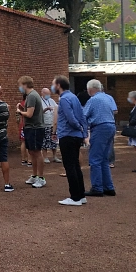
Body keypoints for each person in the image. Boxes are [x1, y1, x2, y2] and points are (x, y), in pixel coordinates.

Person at [51, 76, 87, 206]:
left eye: (53, 84)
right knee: (75, 166)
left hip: (68, 135)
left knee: (70, 166)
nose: (52, 87)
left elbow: (70, 117)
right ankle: (81, 195)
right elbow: (82, 116)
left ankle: (75, 197)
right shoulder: (74, 97)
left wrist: (78, 126)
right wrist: (83, 131)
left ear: (59, 85)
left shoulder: (64, 99)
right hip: (76, 135)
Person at [83, 79, 117, 197]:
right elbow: (114, 111)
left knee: (95, 159)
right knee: (104, 159)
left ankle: (97, 187)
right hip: (111, 126)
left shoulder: (93, 100)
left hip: (100, 128)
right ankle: (108, 187)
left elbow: (83, 116)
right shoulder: (108, 97)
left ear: (90, 89)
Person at [16, 76, 47, 188]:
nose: (20, 88)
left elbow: (29, 114)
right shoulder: (31, 96)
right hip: (30, 127)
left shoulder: (32, 96)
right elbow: (29, 111)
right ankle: (34, 175)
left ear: (25, 85)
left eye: (20, 85)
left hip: (35, 128)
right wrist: (23, 108)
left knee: (37, 152)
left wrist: (20, 111)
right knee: (32, 152)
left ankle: (41, 177)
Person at [41, 88, 61, 164]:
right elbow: (39, 112)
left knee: (54, 141)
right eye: (46, 94)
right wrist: (46, 109)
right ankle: (45, 157)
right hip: (45, 124)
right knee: (45, 141)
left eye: (49, 94)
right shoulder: (39, 101)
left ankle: (55, 156)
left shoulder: (51, 100)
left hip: (53, 124)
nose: (48, 95)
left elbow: (57, 108)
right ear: (42, 93)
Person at [16, 95, 30, 167]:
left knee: (23, 142)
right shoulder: (28, 103)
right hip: (27, 124)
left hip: (22, 124)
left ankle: (23, 159)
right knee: (28, 142)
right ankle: (29, 160)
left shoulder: (21, 103)